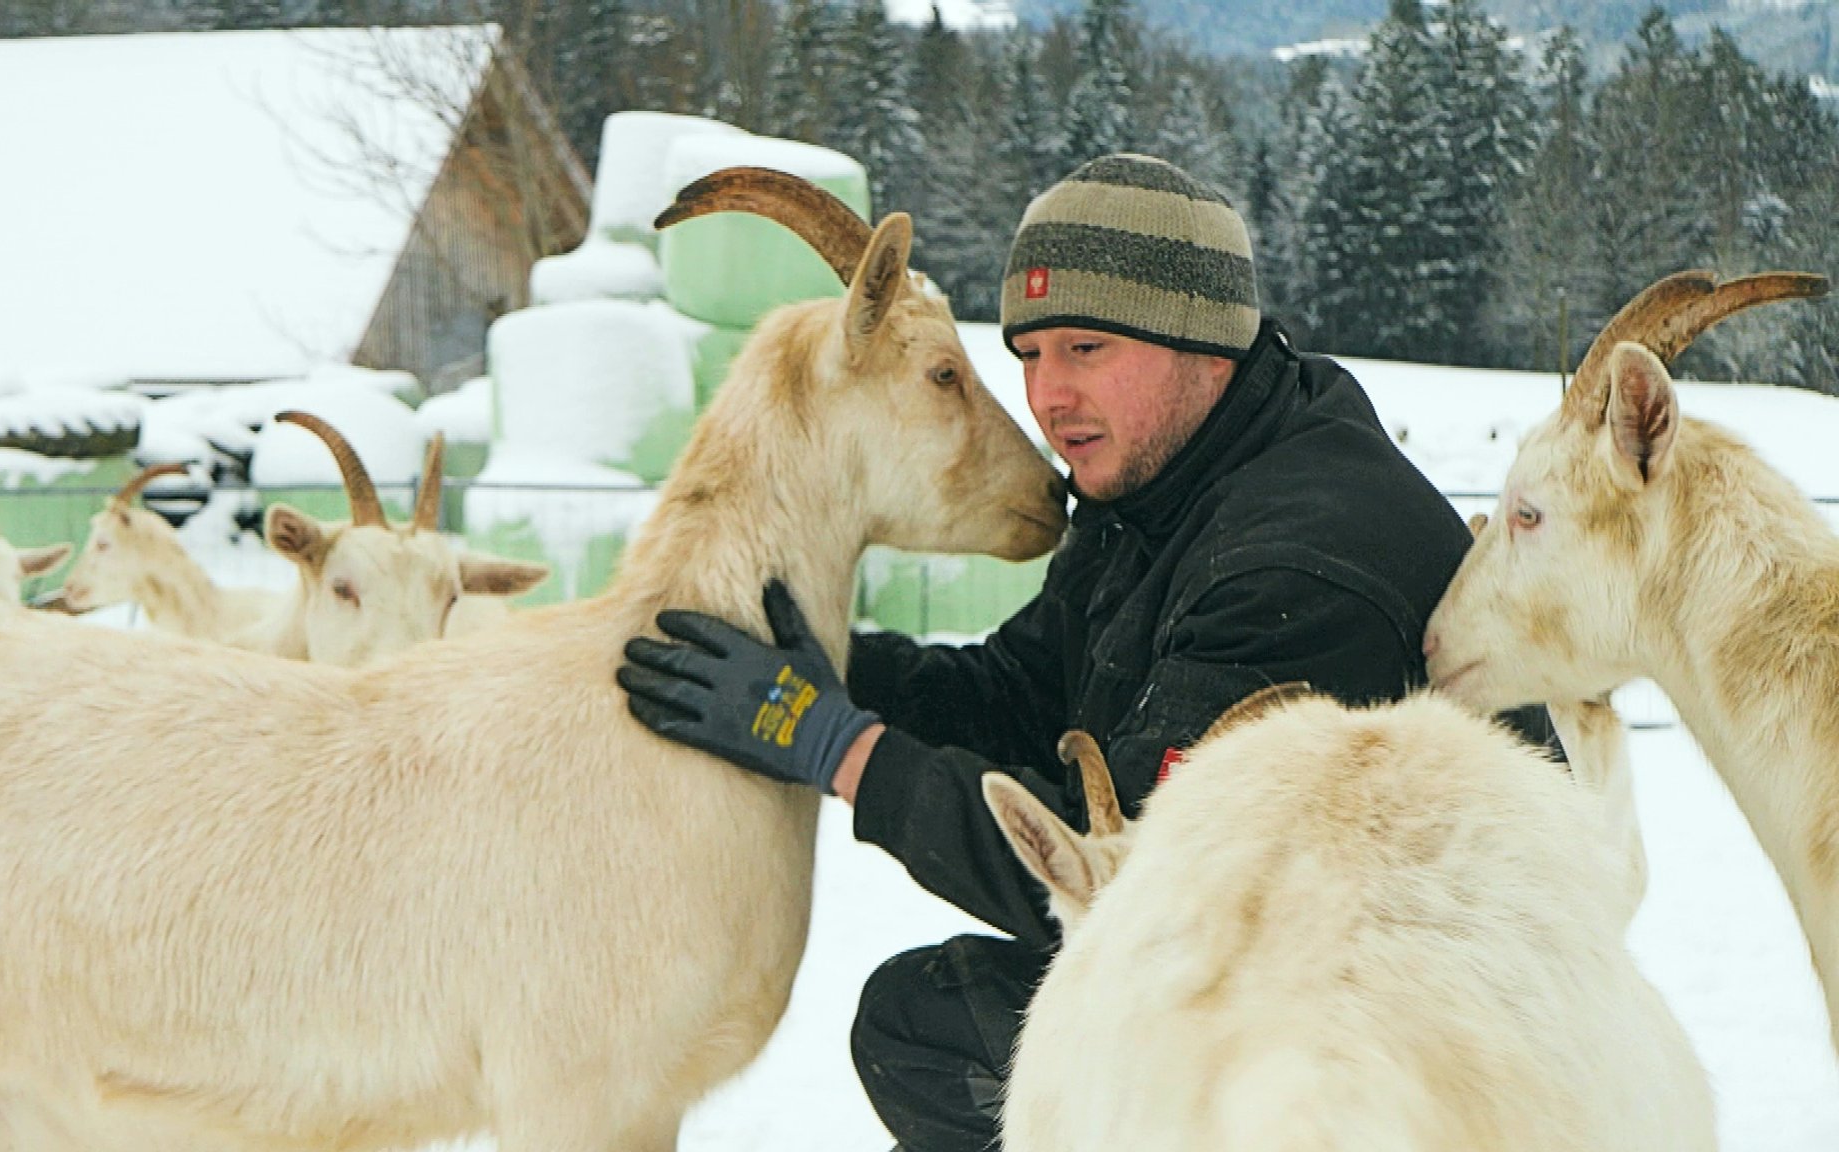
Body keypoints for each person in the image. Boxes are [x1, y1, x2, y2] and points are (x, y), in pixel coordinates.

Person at [617, 153, 1540, 1151]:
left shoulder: (1291, 563)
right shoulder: (1162, 485)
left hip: (1418, 1060)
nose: (1047, 396)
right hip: (1281, 973)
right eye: (1029, 353)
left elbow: (1123, 877)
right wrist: (835, 668)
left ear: (1200, 337)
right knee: (934, 1017)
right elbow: (1021, 693)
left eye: (1085, 348)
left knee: (949, 1030)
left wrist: (837, 748)